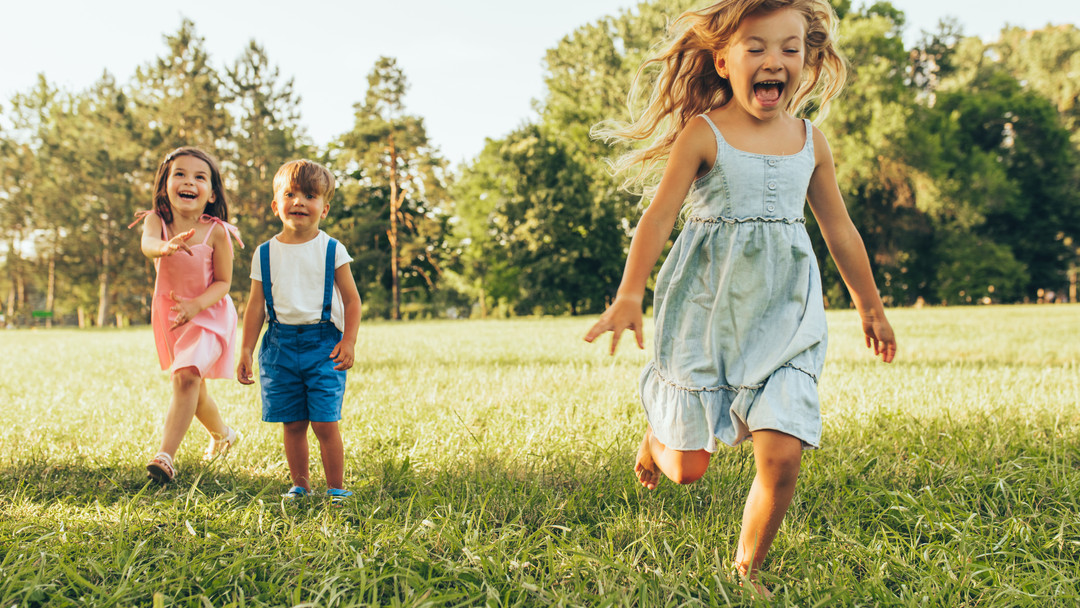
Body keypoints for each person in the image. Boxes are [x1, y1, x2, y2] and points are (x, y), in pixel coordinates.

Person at [584, 0, 897, 590]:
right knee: (686, 470)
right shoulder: (703, 134)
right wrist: (629, 293)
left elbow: (840, 229)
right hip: (705, 313)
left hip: (786, 317)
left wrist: (871, 307)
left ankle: (747, 569)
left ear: (807, 61)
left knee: (782, 451)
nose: (773, 61)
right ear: (723, 60)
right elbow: (658, 218)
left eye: (788, 49)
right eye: (755, 48)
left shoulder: (811, 142)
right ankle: (658, 439)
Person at [237, 159, 361, 505]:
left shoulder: (332, 250)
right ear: (276, 205)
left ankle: (336, 488)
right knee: (292, 423)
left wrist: (348, 340)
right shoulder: (264, 254)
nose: (299, 202)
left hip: (324, 345)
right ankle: (300, 487)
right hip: (278, 347)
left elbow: (352, 301)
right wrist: (246, 349)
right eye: (290, 194)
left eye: (310, 195)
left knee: (324, 422)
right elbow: (254, 307)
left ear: (324, 207)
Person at [132, 146, 244, 483]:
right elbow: (148, 244)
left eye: (200, 177)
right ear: (166, 183)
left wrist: (197, 305)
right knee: (194, 388)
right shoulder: (157, 222)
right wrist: (164, 248)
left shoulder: (216, 231)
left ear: (211, 193)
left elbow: (224, 282)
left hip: (209, 314)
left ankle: (165, 456)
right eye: (179, 174)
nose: (188, 181)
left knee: (186, 378)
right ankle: (224, 434)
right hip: (173, 316)